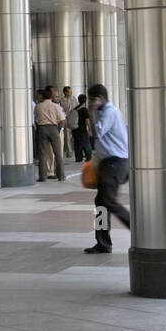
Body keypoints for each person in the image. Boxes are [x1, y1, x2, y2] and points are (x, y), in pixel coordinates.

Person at [84, 83, 129, 253]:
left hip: (115, 163)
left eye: (91, 100)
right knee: (101, 202)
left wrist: (91, 112)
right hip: (109, 163)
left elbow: (96, 133)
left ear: (100, 99)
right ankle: (103, 242)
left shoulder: (109, 112)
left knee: (108, 201)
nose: (89, 103)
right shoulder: (105, 112)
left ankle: (139, 229)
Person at [35, 85, 66, 182]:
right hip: (53, 128)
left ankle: (42, 176)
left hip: (42, 129)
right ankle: (61, 176)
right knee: (58, 153)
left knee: (42, 154)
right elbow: (62, 120)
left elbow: (36, 118)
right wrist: (58, 129)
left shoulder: (38, 106)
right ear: (50, 97)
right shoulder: (56, 106)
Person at [73, 93, 92, 162]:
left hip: (75, 129)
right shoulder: (84, 109)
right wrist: (90, 128)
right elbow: (87, 120)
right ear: (85, 100)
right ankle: (89, 157)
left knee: (77, 144)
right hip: (82, 129)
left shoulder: (75, 108)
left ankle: (78, 158)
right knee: (86, 143)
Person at [61, 85, 78, 157]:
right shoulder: (62, 100)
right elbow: (61, 110)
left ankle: (76, 150)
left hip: (73, 119)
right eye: (69, 92)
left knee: (75, 135)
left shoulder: (74, 99)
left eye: (71, 92)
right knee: (67, 136)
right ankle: (69, 152)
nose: (71, 93)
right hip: (66, 119)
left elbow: (77, 107)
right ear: (65, 92)